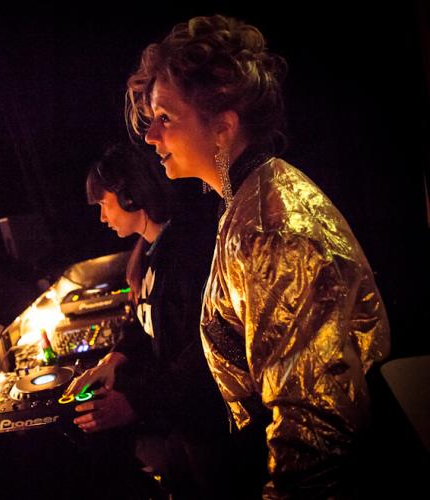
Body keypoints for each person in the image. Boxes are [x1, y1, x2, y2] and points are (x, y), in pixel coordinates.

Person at [125, 14, 390, 498]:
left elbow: (313, 426)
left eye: (166, 118)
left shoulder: (273, 231)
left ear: (223, 127)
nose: (150, 136)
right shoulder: (246, 197)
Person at [66, 143, 239, 497]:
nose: (102, 217)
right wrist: (114, 359)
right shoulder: (149, 252)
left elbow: (202, 355)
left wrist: (135, 404)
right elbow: (145, 324)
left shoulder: (188, 254)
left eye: (103, 204)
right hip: (183, 424)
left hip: (210, 430)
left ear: (130, 195)